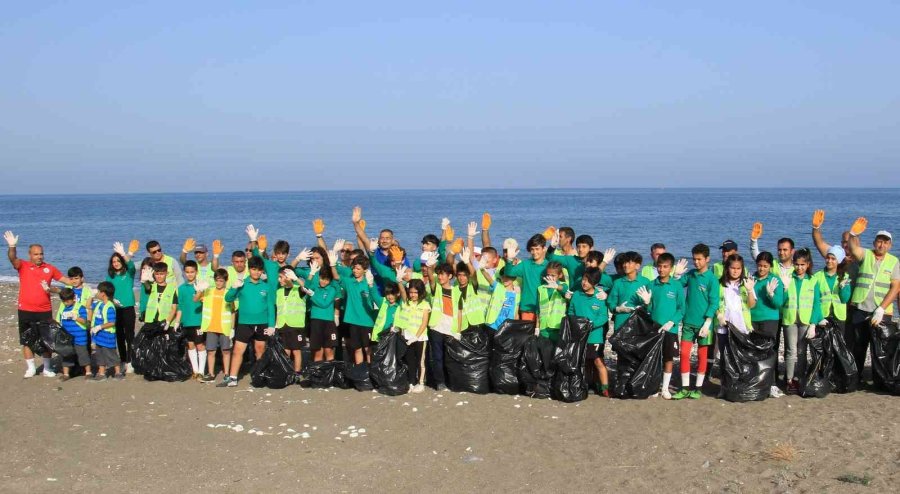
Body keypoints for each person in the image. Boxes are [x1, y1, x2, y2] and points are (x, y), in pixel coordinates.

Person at [4, 230, 76, 378]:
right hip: (26, 309)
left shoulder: (49, 268)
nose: (39, 256)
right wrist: (12, 246)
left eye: (41, 254)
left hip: (44, 310)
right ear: (30, 255)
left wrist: (77, 280)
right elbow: (12, 258)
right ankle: (30, 368)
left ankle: (47, 368)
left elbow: (68, 282)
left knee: (47, 340)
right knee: (27, 339)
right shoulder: (23, 265)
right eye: (36, 254)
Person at [845, 218, 900, 387]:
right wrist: (853, 234)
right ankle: (855, 378)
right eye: (879, 241)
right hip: (861, 308)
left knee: (881, 349)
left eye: (885, 242)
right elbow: (853, 249)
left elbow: (896, 287)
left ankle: (880, 381)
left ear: (890, 245)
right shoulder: (866, 255)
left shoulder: (894, 262)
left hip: (881, 313)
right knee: (858, 346)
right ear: (874, 242)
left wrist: (882, 308)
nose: (881, 245)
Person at [218, 256, 275, 387]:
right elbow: (228, 298)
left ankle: (260, 375)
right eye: (254, 269)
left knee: (260, 350)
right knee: (238, 350)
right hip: (244, 323)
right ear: (249, 270)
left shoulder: (266, 286)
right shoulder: (242, 283)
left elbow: (271, 306)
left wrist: (272, 325)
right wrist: (233, 287)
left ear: (262, 271)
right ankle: (232, 378)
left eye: (259, 270)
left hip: (262, 323)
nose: (256, 272)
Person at [672, 244, 719, 400]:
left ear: (707, 259)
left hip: (704, 324)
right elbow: (676, 287)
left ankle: (698, 387)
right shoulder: (691, 275)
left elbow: (714, 302)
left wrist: (708, 321)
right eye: (694, 259)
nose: (696, 262)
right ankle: (685, 387)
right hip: (688, 322)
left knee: (702, 356)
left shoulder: (712, 279)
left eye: (699, 259)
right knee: (684, 353)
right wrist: (676, 276)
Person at [637, 253, 684, 399]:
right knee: (653, 357)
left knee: (668, 358)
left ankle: (665, 388)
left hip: (670, 328)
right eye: (659, 266)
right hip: (654, 327)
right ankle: (654, 387)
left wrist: (672, 322)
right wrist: (646, 303)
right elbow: (649, 309)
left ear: (671, 268)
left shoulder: (677, 285)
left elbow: (681, 308)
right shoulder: (651, 285)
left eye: (665, 267)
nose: (662, 269)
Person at [713, 254, 757, 398]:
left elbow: (752, 305)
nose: (735, 271)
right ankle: (724, 387)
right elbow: (714, 303)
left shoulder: (746, 283)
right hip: (724, 327)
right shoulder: (719, 284)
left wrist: (750, 290)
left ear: (742, 269)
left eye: (738, 268)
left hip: (742, 328)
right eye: (732, 268)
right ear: (727, 268)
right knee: (725, 358)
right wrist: (719, 315)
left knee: (742, 358)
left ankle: (741, 386)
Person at [567, 267, 611, 396]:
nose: (584, 283)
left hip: (595, 335)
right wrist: (576, 324)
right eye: (583, 279)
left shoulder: (600, 296)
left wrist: (592, 324)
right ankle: (586, 384)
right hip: (580, 335)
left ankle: (605, 387)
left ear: (595, 283)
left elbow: (603, 316)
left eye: (588, 280)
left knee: (597, 360)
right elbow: (571, 312)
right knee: (584, 361)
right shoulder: (576, 295)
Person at [333, 257, 379, 364]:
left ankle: (370, 371)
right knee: (357, 348)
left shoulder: (369, 283)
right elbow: (336, 277)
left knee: (368, 349)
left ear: (365, 270)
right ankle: (359, 372)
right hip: (353, 321)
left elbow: (376, 299)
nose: (355, 271)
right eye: (354, 268)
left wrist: (371, 285)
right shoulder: (349, 282)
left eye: (358, 269)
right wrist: (332, 265)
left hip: (367, 321)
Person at [426, 262, 463, 391]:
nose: (439, 277)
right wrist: (430, 267)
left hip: (450, 329)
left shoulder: (457, 291)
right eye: (439, 274)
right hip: (436, 327)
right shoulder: (437, 288)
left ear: (450, 276)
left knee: (450, 358)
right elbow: (431, 279)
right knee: (437, 357)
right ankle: (440, 383)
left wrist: (458, 330)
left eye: (442, 274)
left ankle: (451, 382)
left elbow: (459, 312)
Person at [501, 233, 551, 321]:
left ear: (544, 249)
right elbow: (509, 273)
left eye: (537, 249)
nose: (534, 252)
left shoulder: (549, 265)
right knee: (527, 334)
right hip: (527, 308)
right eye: (532, 249)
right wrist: (509, 260)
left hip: (544, 307)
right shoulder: (525, 264)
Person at [196, 269, 234, 382]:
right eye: (217, 280)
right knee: (211, 351)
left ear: (226, 281)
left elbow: (233, 311)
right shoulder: (208, 291)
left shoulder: (229, 293)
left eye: (221, 281)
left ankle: (227, 373)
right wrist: (200, 290)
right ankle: (211, 373)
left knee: (226, 351)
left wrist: (232, 328)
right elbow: (195, 299)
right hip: (211, 326)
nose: (219, 283)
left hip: (225, 327)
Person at [108, 242, 138, 375]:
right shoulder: (111, 276)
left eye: (118, 260)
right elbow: (106, 290)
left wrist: (123, 253)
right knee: (119, 335)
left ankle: (130, 362)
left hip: (128, 308)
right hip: (116, 309)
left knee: (129, 336)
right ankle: (123, 360)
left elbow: (130, 264)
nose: (116, 263)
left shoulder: (129, 273)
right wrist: (111, 299)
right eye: (114, 261)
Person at [397, 276, 431, 393]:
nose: (412, 295)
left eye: (415, 292)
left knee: (420, 361)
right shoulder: (407, 302)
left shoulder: (425, 305)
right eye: (410, 292)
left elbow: (424, 322)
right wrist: (400, 281)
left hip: (420, 337)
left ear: (420, 292)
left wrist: (416, 336)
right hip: (407, 336)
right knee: (410, 360)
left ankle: (420, 383)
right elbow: (401, 291)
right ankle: (411, 382)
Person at [275, 266, 310, 377]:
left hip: (296, 325)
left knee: (296, 350)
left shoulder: (298, 289)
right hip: (282, 324)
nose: (279, 280)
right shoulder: (279, 291)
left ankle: (297, 373)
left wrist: (295, 278)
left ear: (288, 277)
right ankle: (287, 371)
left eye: (281, 277)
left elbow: (306, 287)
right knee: (285, 350)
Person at [177, 261, 206, 380]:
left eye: (192, 272)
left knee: (200, 345)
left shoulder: (202, 286)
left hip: (199, 321)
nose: (190, 274)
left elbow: (205, 302)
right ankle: (195, 370)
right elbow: (180, 306)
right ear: (184, 273)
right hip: (187, 321)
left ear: (196, 272)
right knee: (190, 345)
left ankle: (201, 371)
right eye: (187, 272)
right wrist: (178, 321)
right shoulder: (181, 288)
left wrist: (200, 292)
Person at [607, 251, 650, 331]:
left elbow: (652, 306)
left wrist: (647, 303)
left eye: (629, 263)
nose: (625, 265)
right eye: (624, 262)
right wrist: (618, 309)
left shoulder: (646, 282)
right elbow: (611, 303)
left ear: (637, 266)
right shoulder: (618, 283)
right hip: (620, 324)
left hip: (639, 324)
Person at [814, 246, 852, 333]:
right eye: (828, 258)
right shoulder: (817, 276)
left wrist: (842, 288)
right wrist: (819, 318)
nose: (829, 261)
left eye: (833, 259)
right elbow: (815, 300)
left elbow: (845, 299)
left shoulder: (845, 276)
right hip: (823, 316)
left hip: (839, 317)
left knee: (838, 345)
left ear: (838, 261)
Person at [56, 288, 91, 381]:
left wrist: (75, 317)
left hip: (80, 337)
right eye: (64, 301)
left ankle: (88, 372)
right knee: (66, 355)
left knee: (83, 354)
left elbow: (84, 321)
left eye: (67, 301)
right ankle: (66, 374)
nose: (66, 303)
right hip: (67, 338)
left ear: (74, 298)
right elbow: (59, 321)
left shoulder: (80, 307)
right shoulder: (63, 308)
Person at [307, 267, 341, 363]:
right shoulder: (315, 286)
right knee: (317, 351)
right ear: (319, 277)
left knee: (329, 350)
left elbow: (324, 303)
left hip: (328, 322)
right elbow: (305, 287)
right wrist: (312, 273)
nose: (324, 282)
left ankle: (330, 374)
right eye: (322, 278)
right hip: (316, 321)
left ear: (330, 280)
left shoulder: (332, 289)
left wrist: (313, 295)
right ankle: (318, 375)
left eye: (327, 280)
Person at [90, 281, 121, 381]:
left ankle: (118, 372)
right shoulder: (99, 304)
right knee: (99, 355)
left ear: (103, 293)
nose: (97, 293)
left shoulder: (110, 307)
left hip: (107, 336)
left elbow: (112, 322)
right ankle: (102, 373)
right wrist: (90, 297)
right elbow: (88, 306)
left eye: (98, 291)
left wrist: (99, 327)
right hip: (98, 336)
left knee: (111, 355)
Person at [140, 262, 179, 329]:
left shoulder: (172, 289)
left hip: (165, 323)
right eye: (157, 274)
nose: (159, 276)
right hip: (150, 322)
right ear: (154, 274)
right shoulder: (152, 286)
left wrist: (168, 322)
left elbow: (174, 308)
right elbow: (147, 287)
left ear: (167, 273)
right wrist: (145, 281)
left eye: (162, 274)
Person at [537, 261, 568, 341]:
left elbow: (565, 290)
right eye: (548, 275)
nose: (550, 277)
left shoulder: (563, 286)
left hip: (557, 327)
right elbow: (538, 310)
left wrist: (557, 286)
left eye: (553, 275)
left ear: (560, 275)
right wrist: (537, 328)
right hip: (543, 327)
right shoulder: (541, 288)